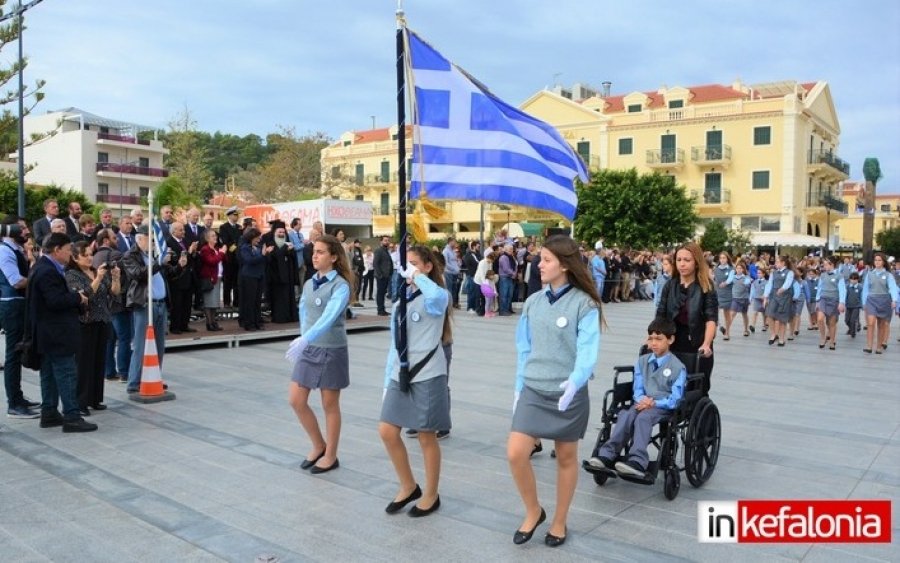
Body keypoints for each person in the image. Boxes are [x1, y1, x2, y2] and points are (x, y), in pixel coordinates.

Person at [508, 235, 601, 547]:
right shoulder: (533, 302)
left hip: (567, 391)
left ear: (564, 264)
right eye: (540, 258)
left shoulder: (584, 303)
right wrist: (519, 388)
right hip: (534, 388)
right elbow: (524, 348)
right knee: (516, 453)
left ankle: (560, 520)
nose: (539, 264)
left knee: (566, 456)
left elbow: (588, 350)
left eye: (546, 259)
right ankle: (534, 510)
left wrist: (576, 381)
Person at [379, 245, 451, 516]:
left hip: (428, 372)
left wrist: (418, 276)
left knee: (425, 435)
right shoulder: (402, 296)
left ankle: (431, 494)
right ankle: (408, 485)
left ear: (428, 266)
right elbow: (394, 343)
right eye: (405, 265)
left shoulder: (436, 295)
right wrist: (387, 381)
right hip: (401, 372)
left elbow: (438, 296)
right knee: (387, 430)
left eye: (414, 263)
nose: (407, 269)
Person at [287, 234, 354, 474]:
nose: (315, 256)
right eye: (314, 251)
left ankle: (331, 455)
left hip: (331, 348)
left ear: (334, 257)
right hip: (309, 346)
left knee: (329, 404)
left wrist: (307, 338)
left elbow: (330, 317)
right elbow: (305, 312)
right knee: (296, 399)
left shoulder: (341, 286)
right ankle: (318, 445)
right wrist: (302, 337)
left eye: (321, 252)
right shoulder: (309, 282)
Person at [588, 318, 686, 477]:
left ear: (670, 339)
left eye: (659, 339)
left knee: (643, 419)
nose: (654, 343)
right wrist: (642, 399)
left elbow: (675, 398)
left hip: (662, 406)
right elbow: (638, 388)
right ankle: (607, 454)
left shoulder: (678, 367)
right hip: (642, 403)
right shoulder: (642, 361)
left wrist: (654, 402)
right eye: (651, 338)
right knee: (626, 415)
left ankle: (638, 460)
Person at [29, 233, 97, 432]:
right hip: (56, 333)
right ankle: (72, 416)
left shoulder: (43, 267)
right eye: (68, 250)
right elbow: (55, 301)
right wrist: (78, 298)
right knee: (66, 373)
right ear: (57, 250)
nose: (70, 254)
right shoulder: (47, 271)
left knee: (49, 373)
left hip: (48, 332)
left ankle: (49, 413)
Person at [65, 241, 120, 415]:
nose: (90, 258)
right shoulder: (72, 275)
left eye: (91, 254)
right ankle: (80, 402)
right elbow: (85, 295)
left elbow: (114, 292)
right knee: (83, 364)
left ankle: (95, 398)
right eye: (85, 255)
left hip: (102, 320)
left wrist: (116, 277)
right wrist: (97, 279)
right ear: (75, 257)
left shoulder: (97, 271)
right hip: (85, 322)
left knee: (99, 361)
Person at [655, 242, 717, 395]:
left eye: (687, 260)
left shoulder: (706, 286)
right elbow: (660, 315)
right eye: (679, 259)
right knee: (669, 385)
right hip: (673, 341)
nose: (682, 264)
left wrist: (706, 344)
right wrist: (653, 338)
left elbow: (711, 319)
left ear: (696, 262)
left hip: (697, 343)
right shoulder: (670, 286)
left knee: (696, 389)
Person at [122, 226, 174, 394]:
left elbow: (168, 275)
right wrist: (158, 263)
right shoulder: (131, 256)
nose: (152, 242)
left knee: (159, 345)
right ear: (139, 239)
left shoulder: (152, 256)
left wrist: (178, 266)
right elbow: (139, 274)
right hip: (145, 304)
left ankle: (154, 377)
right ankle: (134, 382)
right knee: (140, 344)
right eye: (149, 238)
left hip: (160, 303)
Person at [0, 215, 40, 418]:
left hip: (18, 305)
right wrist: (37, 278)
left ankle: (18, 397)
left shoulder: (16, 250)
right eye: (22, 228)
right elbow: (15, 281)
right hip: (12, 306)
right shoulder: (4, 251)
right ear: (11, 229)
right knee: (13, 355)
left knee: (17, 352)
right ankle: (14, 403)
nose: (26, 232)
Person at [862, 252, 899, 354]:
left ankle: (878, 347)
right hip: (871, 300)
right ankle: (869, 346)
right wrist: (864, 302)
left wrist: (894, 300)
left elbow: (892, 288)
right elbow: (865, 289)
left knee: (881, 325)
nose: (877, 262)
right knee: (870, 323)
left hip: (884, 301)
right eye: (875, 260)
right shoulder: (869, 274)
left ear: (883, 262)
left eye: (879, 260)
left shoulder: (888, 275)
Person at [166, 222, 198, 334]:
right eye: (180, 230)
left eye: (183, 229)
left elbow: (191, 259)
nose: (183, 232)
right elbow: (175, 260)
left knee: (187, 303)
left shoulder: (186, 241)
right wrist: (189, 252)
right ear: (173, 231)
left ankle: (184, 324)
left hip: (188, 277)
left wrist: (193, 253)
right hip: (177, 278)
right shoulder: (169, 242)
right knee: (177, 303)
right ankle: (175, 326)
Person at [238, 227, 270, 331]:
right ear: (251, 238)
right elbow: (249, 260)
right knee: (249, 301)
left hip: (259, 276)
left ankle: (257, 322)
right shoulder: (245, 248)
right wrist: (262, 255)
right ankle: (249, 323)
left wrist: (266, 254)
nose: (259, 239)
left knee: (257, 301)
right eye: (257, 238)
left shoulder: (259, 247)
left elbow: (263, 260)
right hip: (249, 276)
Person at [266, 226, 299, 324]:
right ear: (275, 233)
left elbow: (293, 258)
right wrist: (285, 248)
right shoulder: (271, 244)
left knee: (289, 296)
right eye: (279, 232)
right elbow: (275, 256)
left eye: (283, 232)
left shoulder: (289, 244)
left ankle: (290, 316)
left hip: (288, 275)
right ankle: (280, 317)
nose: (281, 234)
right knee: (279, 298)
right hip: (276, 276)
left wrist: (291, 251)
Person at [763, 255, 795, 347]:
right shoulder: (774, 273)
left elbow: (788, 283)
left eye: (777, 262)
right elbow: (769, 284)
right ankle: (773, 334)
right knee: (769, 314)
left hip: (785, 297)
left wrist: (782, 289)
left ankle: (781, 339)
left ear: (783, 263)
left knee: (782, 319)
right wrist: (765, 296)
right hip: (774, 296)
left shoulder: (790, 272)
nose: (775, 263)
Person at [816, 257, 846, 350]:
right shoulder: (823, 275)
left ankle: (832, 341)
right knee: (820, 319)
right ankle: (822, 337)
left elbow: (842, 289)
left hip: (834, 300)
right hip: (823, 299)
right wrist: (817, 300)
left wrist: (842, 302)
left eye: (826, 264)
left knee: (831, 322)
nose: (824, 266)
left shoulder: (839, 276)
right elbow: (819, 287)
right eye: (823, 264)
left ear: (832, 264)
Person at [198, 229, 225, 331]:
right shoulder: (205, 249)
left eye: (215, 236)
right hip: (209, 278)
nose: (215, 237)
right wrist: (222, 253)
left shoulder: (216, 248)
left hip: (217, 277)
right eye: (213, 236)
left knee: (214, 303)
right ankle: (209, 323)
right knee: (209, 302)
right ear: (207, 238)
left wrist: (222, 252)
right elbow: (211, 261)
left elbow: (221, 260)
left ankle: (213, 322)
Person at [218, 206, 243, 308]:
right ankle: (227, 302)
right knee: (228, 281)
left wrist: (237, 245)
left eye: (237, 215)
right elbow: (225, 242)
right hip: (229, 257)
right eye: (234, 215)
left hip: (238, 258)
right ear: (229, 215)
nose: (236, 217)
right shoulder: (224, 227)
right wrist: (236, 246)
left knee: (237, 282)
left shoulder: (239, 227)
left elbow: (241, 239)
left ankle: (237, 301)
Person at [723, 260, 752, 339]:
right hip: (735, 298)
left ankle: (746, 330)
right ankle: (727, 333)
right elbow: (728, 281)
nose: (738, 270)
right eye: (737, 268)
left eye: (740, 268)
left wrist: (747, 282)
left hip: (744, 298)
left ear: (743, 269)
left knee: (744, 314)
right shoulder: (733, 277)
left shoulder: (746, 277)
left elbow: (748, 282)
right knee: (732, 315)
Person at [714, 252, 734, 334]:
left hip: (727, 293)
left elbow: (730, 278)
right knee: (714, 312)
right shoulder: (716, 269)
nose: (722, 260)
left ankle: (727, 332)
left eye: (724, 258)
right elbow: (714, 280)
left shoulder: (731, 269)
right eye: (721, 258)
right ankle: (720, 326)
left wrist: (725, 283)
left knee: (727, 314)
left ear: (727, 259)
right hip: (718, 293)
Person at [373, 235, 393, 316]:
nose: (387, 242)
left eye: (388, 240)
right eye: (385, 240)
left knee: (383, 293)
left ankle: (382, 309)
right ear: (381, 241)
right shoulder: (379, 250)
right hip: (381, 276)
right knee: (380, 293)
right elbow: (375, 263)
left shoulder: (386, 250)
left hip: (387, 275)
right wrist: (380, 275)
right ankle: (380, 310)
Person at [845, 272, 862, 338]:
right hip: (848, 306)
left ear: (857, 279)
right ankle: (851, 328)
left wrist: (862, 304)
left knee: (853, 320)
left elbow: (862, 296)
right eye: (851, 279)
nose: (853, 281)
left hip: (856, 306)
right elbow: (844, 295)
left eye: (855, 279)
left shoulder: (860, 287)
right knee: (847, 320)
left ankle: (853, 332)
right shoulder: (847, 286)